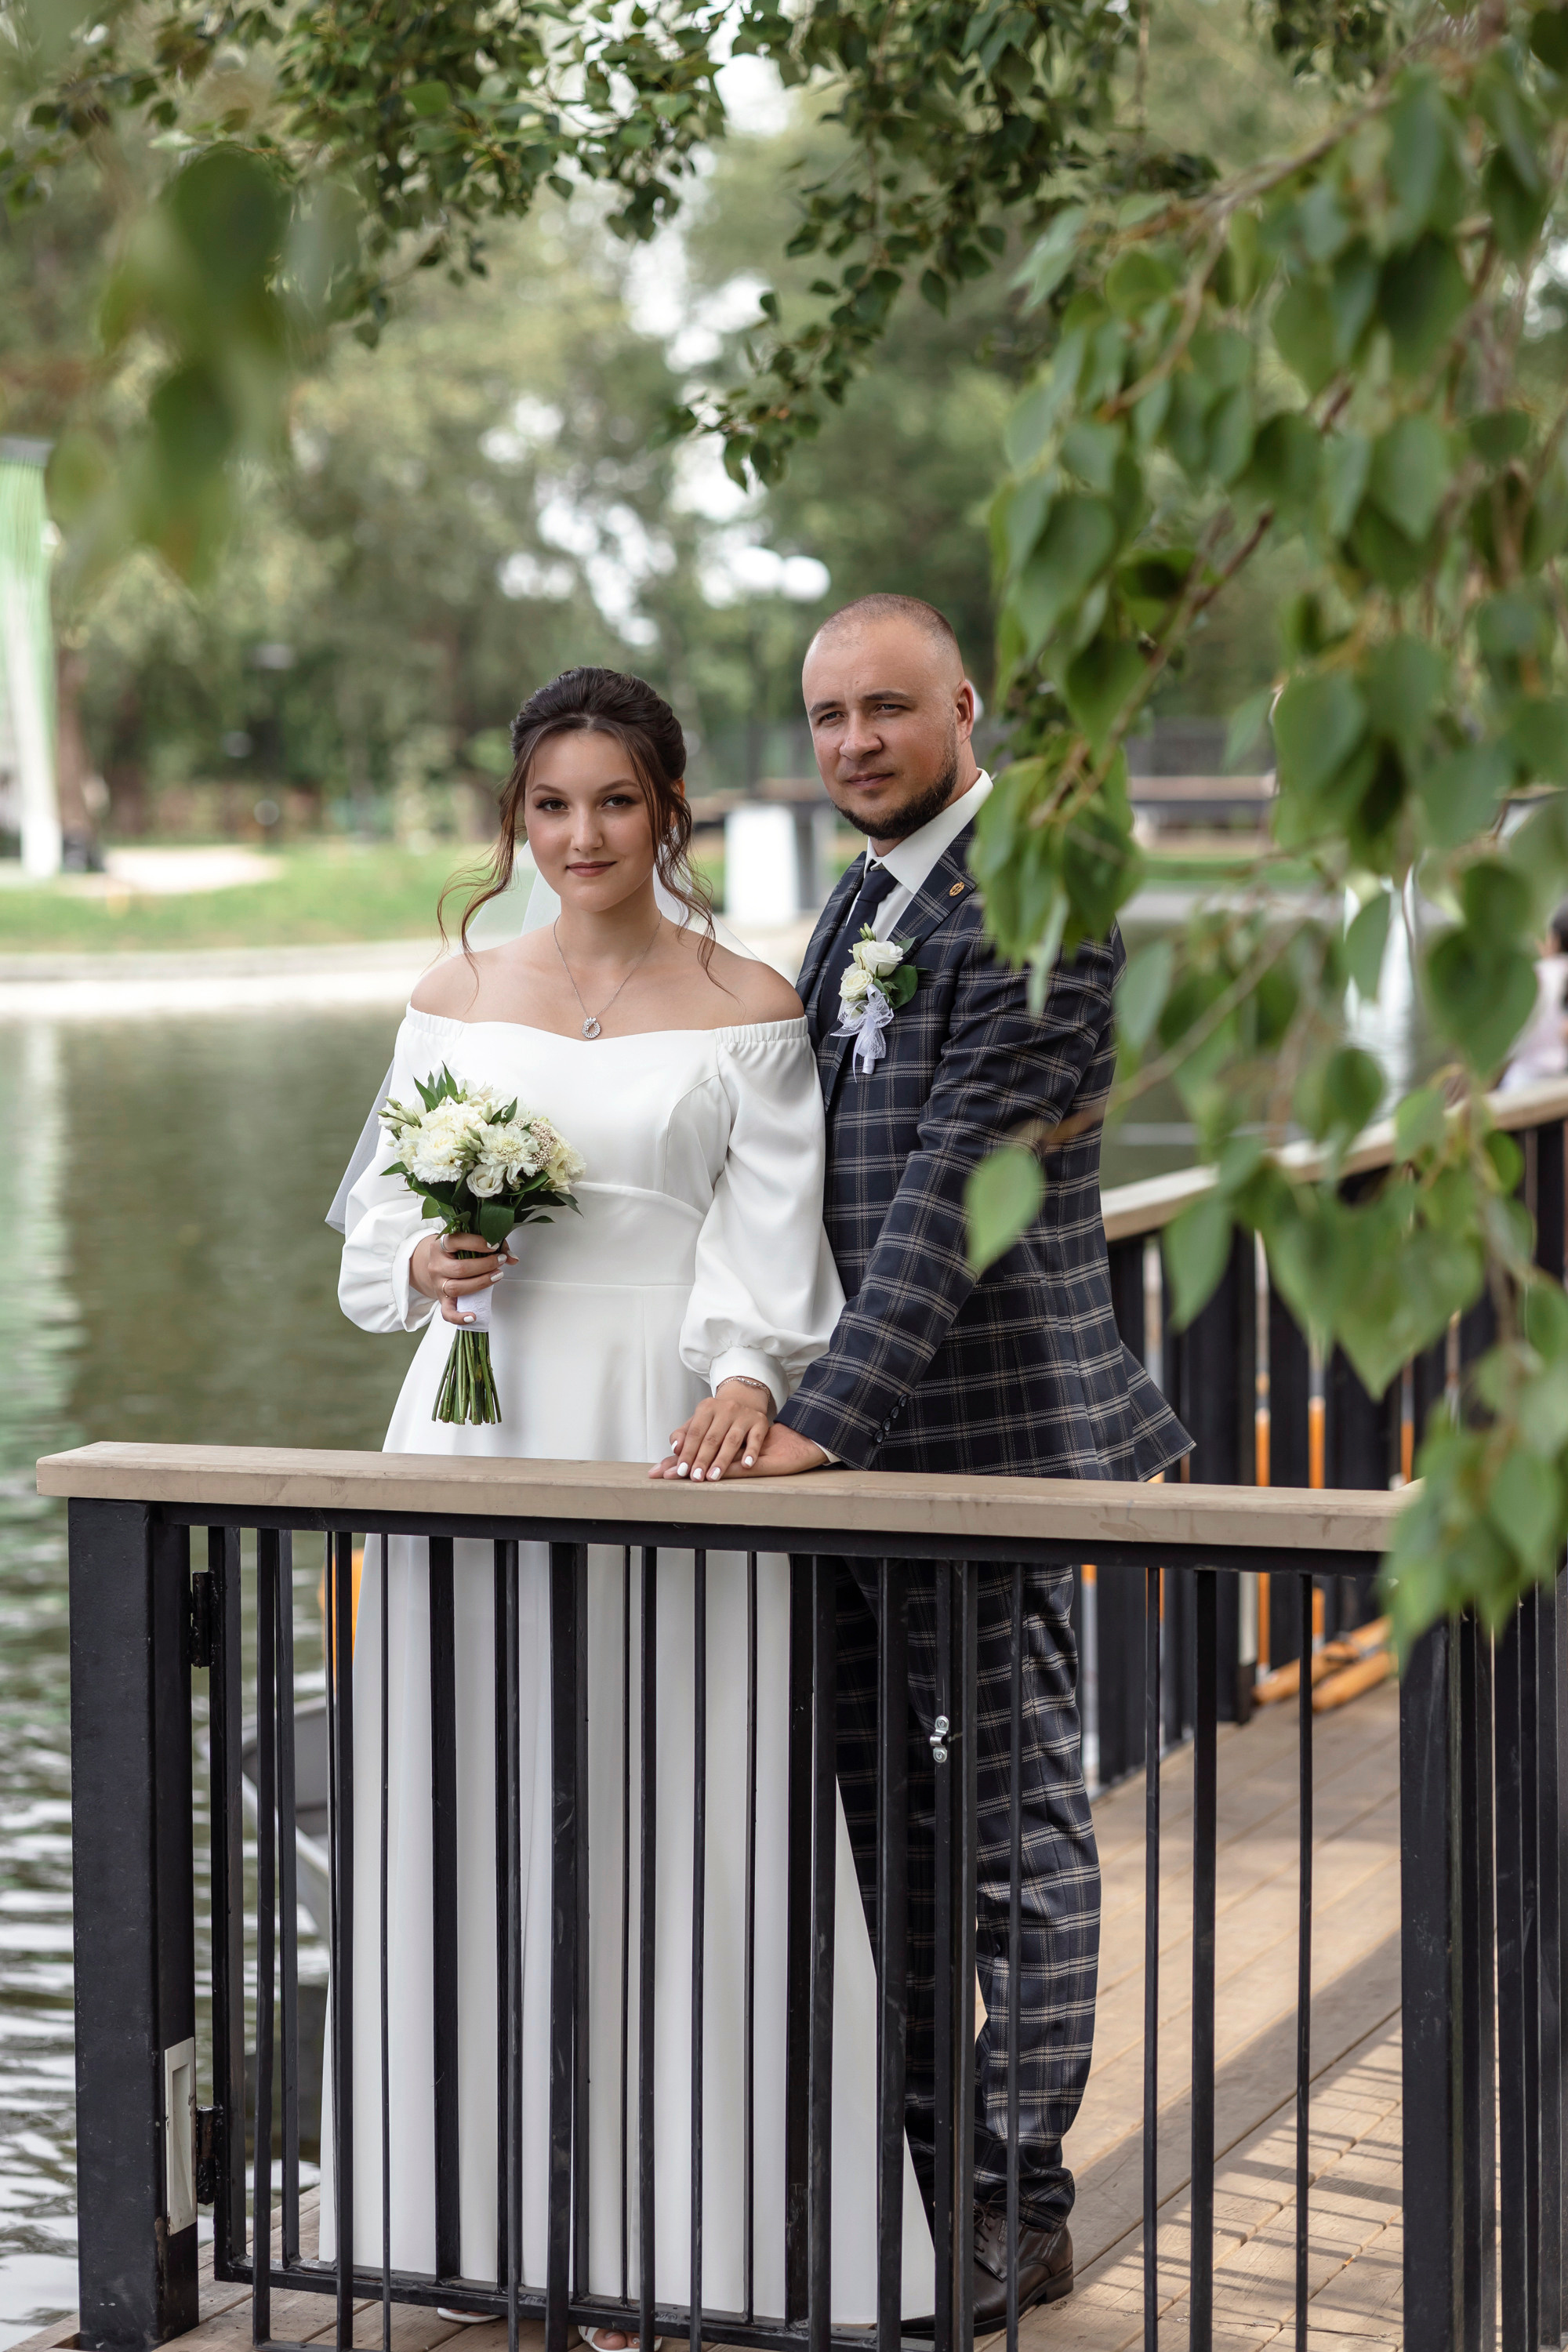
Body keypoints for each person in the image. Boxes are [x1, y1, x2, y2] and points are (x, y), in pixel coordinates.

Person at [331, 666, 936, 2329]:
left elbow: (774, 1249)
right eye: (549, 804)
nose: (581, 833)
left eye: (613, 800)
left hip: (667, 1436)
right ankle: (464, 2215)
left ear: (668, 807)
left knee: (691, 1805)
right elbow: (375, 1250)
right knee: (468, 1798)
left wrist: (746, 1376)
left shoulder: (747, 1000)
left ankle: (696, 2243)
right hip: (471, 1430)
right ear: (514, 820)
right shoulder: (453, 993)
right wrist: (428, 1262)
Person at [656, 595, 1192, 2323]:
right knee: (884, 1840)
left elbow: (962, 1187)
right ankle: (905, 2175)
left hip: (984, 1456)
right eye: (825, 718)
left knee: (1014, 1852)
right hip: (855, 1467)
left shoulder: (1041, 890)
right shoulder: (858, 901)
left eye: (885, 710)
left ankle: (1015, 2205)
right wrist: (750, 1372)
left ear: (962, 705)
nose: (852, 745)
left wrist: (819, 1421)